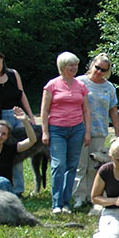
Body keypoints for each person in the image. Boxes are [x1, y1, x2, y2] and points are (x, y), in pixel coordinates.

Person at [0, 47, 36, 194]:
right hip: (0, 119)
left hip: (17, 116)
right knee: (7, 153)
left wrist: (31, 116)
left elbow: (22, 96)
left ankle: (18, 189)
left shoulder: (13, 74)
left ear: (2, 59)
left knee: (18, 152)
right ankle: (6, 187)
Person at [41, 52, 91, 213]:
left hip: (77, 129)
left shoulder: (81, 86)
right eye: (71, 65)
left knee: (72, 166)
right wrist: (45, 132)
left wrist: (87, 132)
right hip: (57, 130)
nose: (74, 68)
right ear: (62, 67)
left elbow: (86, 111)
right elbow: (44, 110)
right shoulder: (52, 85)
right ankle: (56, 203)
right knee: (58, 165)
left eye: (76, 65)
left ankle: (66, 202)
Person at [71, 54, 119, 209]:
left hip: (99, 130)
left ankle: (94, 196)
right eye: (97, 67)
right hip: (79, 129)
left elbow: (113, 111)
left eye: (103, 70)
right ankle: (79, 197)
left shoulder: (109, 87)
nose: (99, 72)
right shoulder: (79, 82)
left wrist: (117, 133)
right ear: (91, 65)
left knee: (94, 167)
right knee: (80, 165)